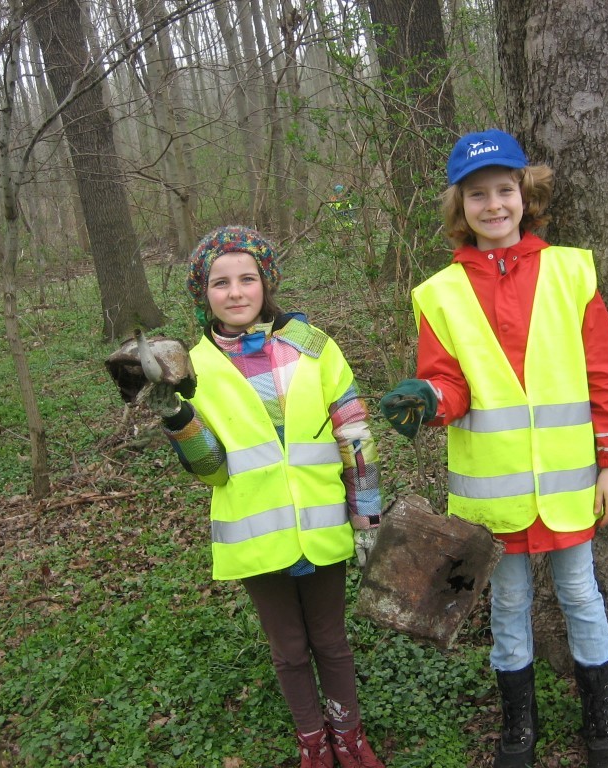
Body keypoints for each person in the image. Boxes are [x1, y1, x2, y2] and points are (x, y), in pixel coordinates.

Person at [379, 130, 608, 768]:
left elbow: (605, 374)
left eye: (504, 189)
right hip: (493, 495)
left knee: (580, 595)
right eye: (477, 194)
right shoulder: (439, 293)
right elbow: (450, 384)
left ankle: (603, 718)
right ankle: (518, 728)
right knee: (510, 602)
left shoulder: (571, 271)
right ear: (459, 207)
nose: (493, 205)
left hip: (571, 486)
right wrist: (428, 401)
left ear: (525, 193)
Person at [143, 225, 386, 768]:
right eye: (220, 282)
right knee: (289, 650)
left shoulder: (315, 346)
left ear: (266, 283)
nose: (235, 292)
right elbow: (211, 468)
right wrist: (175, 414)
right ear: (202, 293)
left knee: (331, 640)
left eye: (247, 278)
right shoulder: (193, 367)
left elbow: (355, 436)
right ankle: (312, 744)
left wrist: (368, 519)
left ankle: (349, 736)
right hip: (255, 533)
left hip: (323, 526)